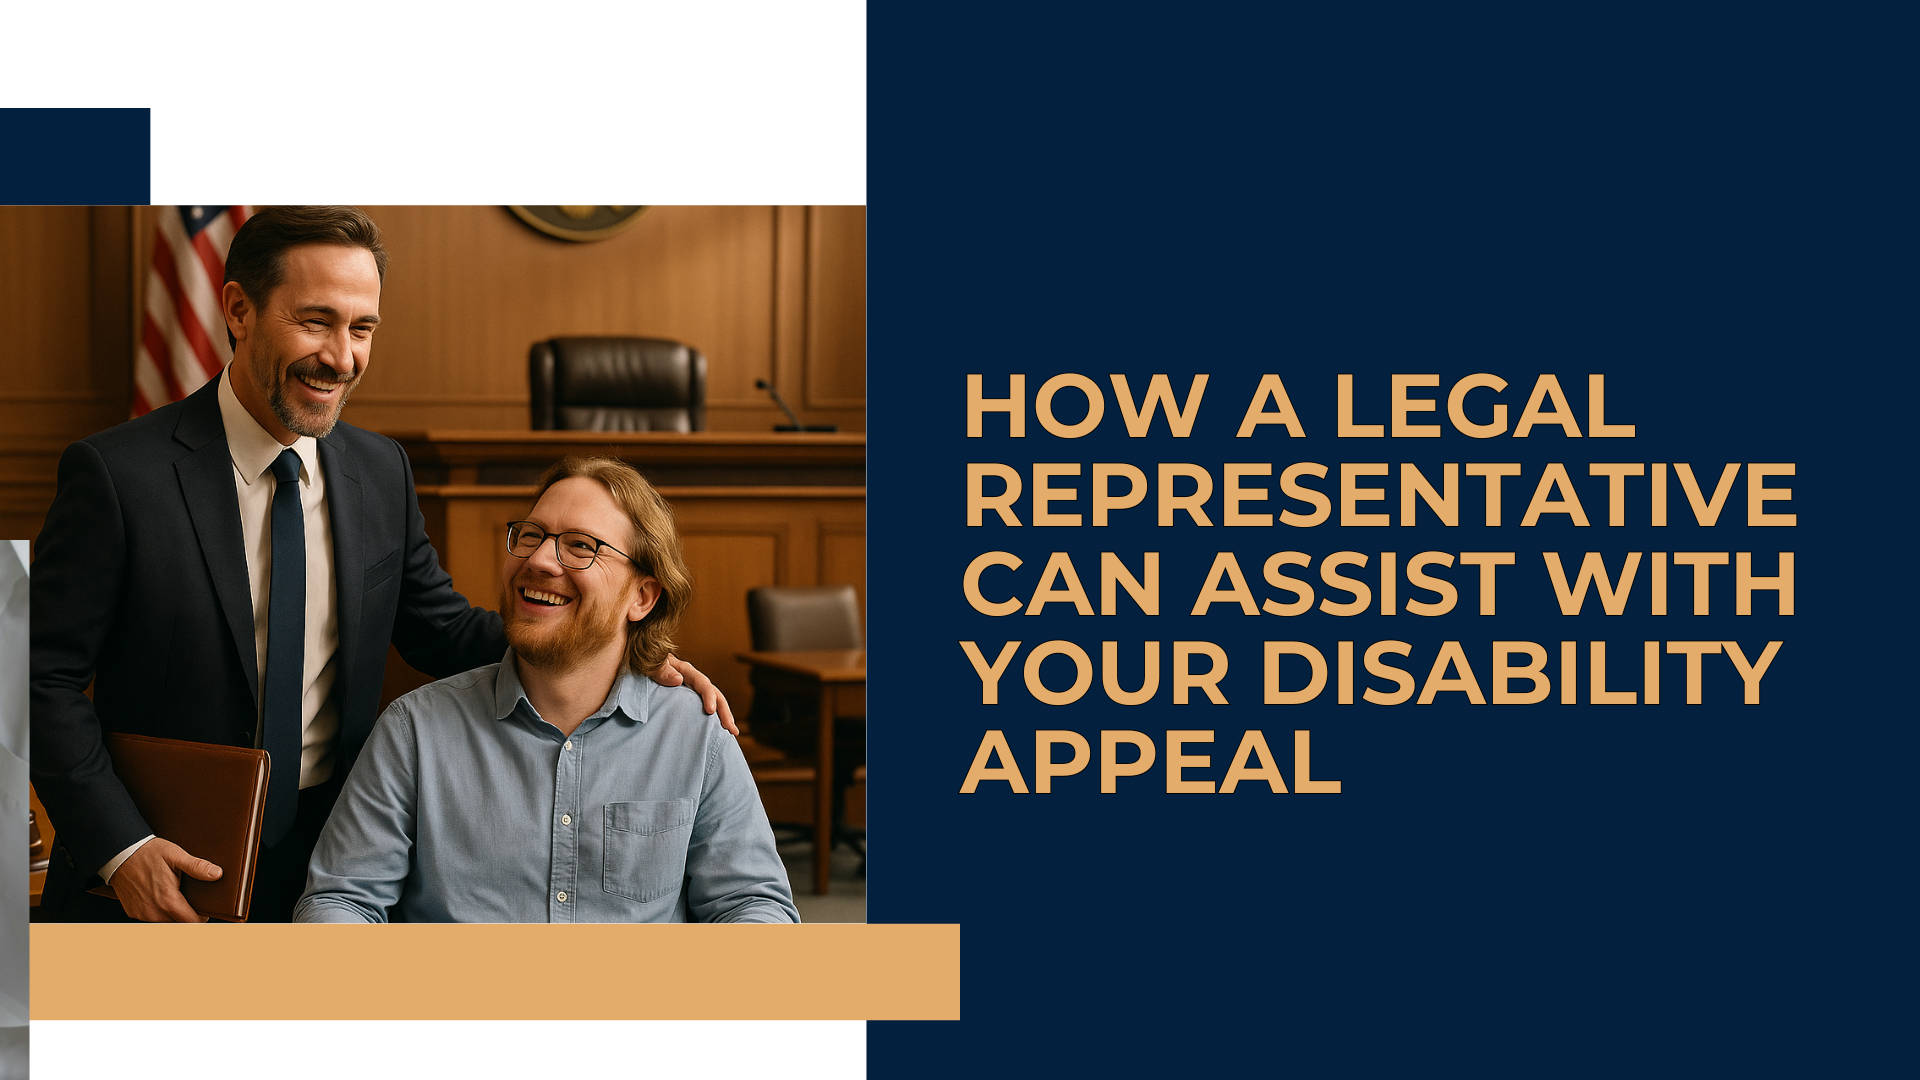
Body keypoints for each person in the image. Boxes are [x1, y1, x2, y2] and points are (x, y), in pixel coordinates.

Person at [30, 206, 733, 923]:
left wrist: (613, 650)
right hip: (153, 872)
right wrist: (124, 849)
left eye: (361, 328)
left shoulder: (379, 471)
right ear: (238, 310)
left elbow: (441, 630)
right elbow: (39, 682)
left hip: (332, 867)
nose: (342, 357)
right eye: (315, 322)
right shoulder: (118, 476)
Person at [295, 457, 797, 923]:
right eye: (531, 535)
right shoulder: (415, 731)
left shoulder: (696, 736)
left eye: (581, 545)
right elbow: (342, 899)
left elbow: (753, 903)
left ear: (642, 596)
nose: (538, 560)